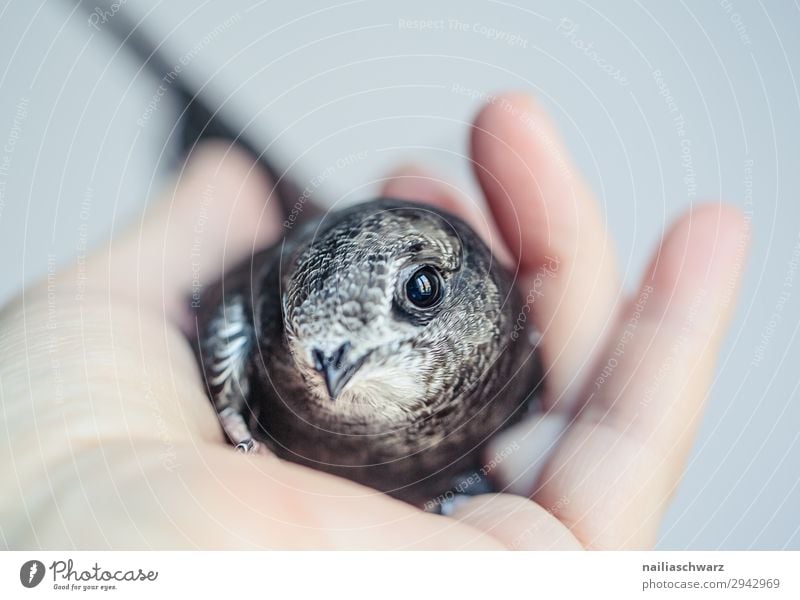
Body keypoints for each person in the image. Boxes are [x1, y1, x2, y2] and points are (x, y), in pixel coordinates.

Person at [0, 92, 747, 549]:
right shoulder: (248, 343)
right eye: (311, 343)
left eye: (419, 293)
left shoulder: (516, 350)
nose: (335, 365)